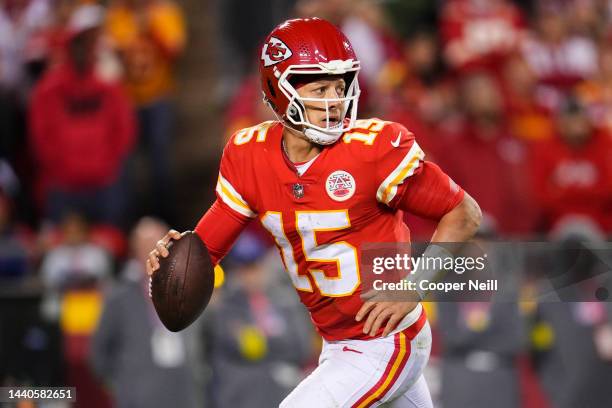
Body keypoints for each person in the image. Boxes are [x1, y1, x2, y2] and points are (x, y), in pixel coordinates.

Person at [148, 18, 481, 407]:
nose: (334, 101)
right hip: (339, 345)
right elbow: (206, 253)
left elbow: (464, 212)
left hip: (386, 341)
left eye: (339, 87)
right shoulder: (249, 154)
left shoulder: (373, 150)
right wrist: (173, 259)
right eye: (320, 88)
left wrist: (416, 283)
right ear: (279, 90)